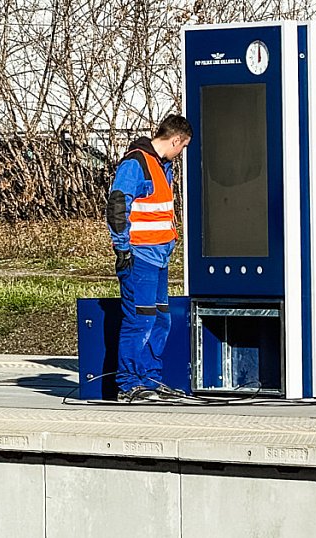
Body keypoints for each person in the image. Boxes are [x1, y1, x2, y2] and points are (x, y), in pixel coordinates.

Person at [106, 114, 192, 402]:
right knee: (139, 321)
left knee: (160, 320)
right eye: (183, 147)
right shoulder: (137, 163)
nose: (181, 154)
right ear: (176, 140)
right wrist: (123, 249)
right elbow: (118, 203)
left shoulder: (161, 165)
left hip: (158, 256)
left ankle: (151, 379)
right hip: (140, 256)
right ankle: (129, 384)